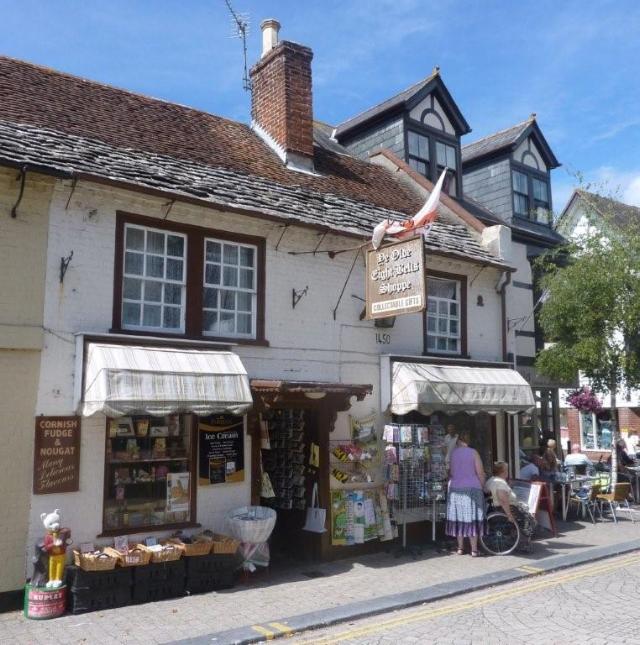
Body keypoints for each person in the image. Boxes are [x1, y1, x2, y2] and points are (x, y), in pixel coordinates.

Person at [446, 431, 486, 557]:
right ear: (468, 440)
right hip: (472, 489)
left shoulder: (453, 454)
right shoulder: (473, 452)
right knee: (471, 518)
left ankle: (460, 548)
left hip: (456, 489)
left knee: (459, 518)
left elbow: (451, 472)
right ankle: (474, 549)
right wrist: (483, 485)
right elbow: (480, 472)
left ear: (458, 441)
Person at [485, 461, 536, 551]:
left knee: (525, 513)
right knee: (529, 519)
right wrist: (509, 515)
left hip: (494, 508)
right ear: (503, 472)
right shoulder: (500, 483)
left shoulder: (491, 480)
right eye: (506, 470)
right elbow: (503, 500)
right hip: (505, 509)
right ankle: (524, 544)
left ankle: (515, 539)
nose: (507, 472)